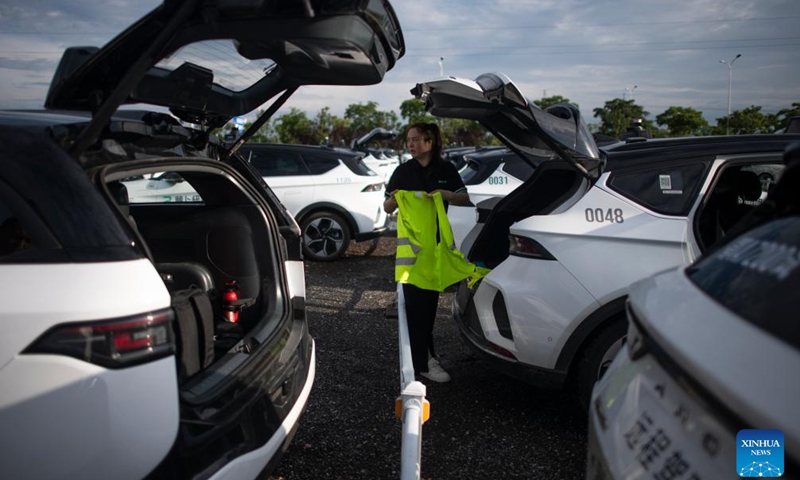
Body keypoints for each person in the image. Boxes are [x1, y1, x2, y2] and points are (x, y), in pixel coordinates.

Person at [383, 122, 470, 382]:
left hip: (436, 249)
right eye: (408, 140)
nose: (410, 144)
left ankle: (424, 357)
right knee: (415, 308)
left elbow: (464, 198)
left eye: (416, 140)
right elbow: (387, 207)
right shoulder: (402, 171)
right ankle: (423, 361)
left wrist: (446, 194)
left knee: (428, 307)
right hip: (411, 252)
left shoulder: (446, 169)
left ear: (430, 142)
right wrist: (395, 199)